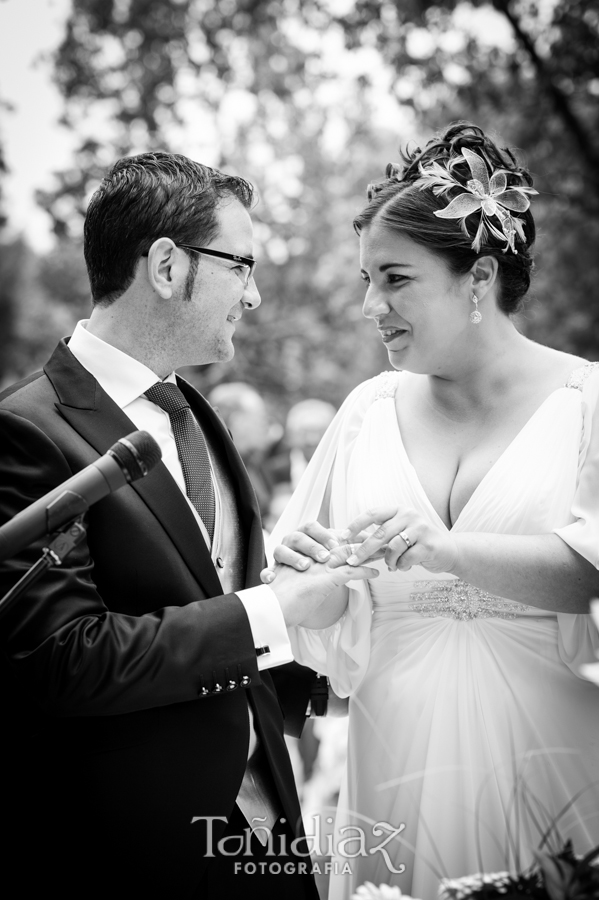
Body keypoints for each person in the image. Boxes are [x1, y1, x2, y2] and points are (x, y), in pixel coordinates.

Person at [0, 152, 377, 899]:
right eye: (241, 266)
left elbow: (216, 592)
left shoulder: (196, 413)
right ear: (168, 266)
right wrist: (276, 610)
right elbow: (65, 659)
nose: (255, 295)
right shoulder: (24, 430)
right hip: (129, 851)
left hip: (263, 837)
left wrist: (310, 629)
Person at [265, 123, 599, 900]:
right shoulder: (365, 411)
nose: (368, 305)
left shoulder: (588, 403)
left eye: (393, 278)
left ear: (477, 277)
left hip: (549, 750)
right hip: (393, 750)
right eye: (363, 280)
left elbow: (589, 574)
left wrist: (443, 549)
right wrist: (304, 575)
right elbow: (316, 643)